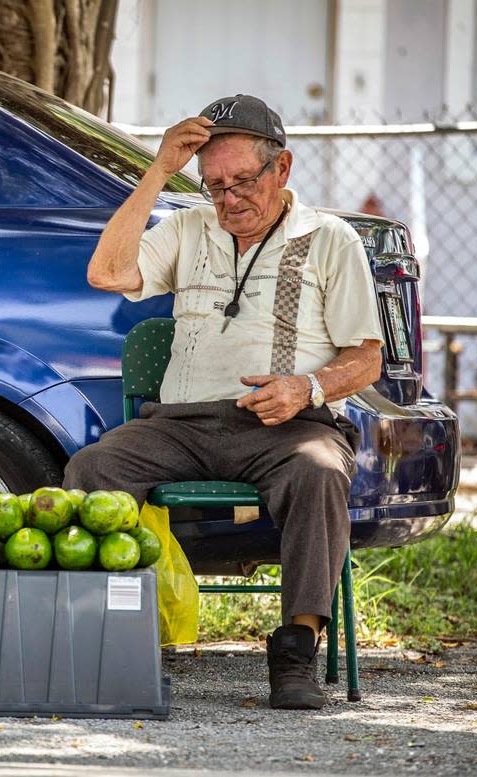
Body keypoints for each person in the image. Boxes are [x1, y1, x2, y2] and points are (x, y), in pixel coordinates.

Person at [64, 94, 384, 710]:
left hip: (287, 424)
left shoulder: (329, 238)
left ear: (282, 169)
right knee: (94, 469)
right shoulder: (186, 227)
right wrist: (158, 172)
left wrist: (306, 387)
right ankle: (112, 639)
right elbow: (106, 273)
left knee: (319, 473)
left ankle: (295, 651)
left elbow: (366, 357)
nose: (229, 198)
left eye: (243, 181)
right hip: (181, 424)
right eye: (214, 185)